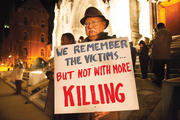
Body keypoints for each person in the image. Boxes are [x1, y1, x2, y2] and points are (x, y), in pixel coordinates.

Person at [79, 6, 116, 120]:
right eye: (87, 24)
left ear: (103, 25)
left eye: (94, 22)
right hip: (83, 107)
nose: (90, 26)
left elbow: (124, 78)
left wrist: (112, 105)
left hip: (108, 108)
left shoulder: (115, 46)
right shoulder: (77, 50)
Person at [44, 33, 77, 120]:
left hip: (70, 92)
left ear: (71, 41)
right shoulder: (58, 54)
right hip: (57, 90)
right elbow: (48, 69)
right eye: (61, 40)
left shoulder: (77, 54)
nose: (61, 42)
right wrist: (51, 74)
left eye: (63, 40)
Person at [151, 23, 172, 87]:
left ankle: (159, 82)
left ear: (158, 27)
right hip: (167, 54)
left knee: (159, 70)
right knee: (166, 70)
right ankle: (167, 81)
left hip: (159, 55)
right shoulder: (169, 33)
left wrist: (152, 41)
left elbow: (157, 42)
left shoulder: (159, 33)